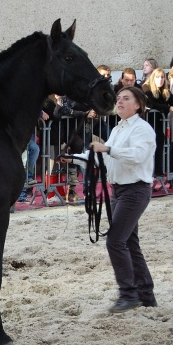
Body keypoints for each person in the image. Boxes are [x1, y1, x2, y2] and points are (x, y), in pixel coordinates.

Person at [63, 87, 157, 313]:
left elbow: (138, 156)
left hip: (135, 190)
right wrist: (73, 158)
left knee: (115, 241)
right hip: (120, 191)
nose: (120, 102)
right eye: (119, 99)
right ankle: (146, 294)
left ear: (137, 105)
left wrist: (108, 148)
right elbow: (102, 158)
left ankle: (128, 293)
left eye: (126, 99)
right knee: (129, 242)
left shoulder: (142, 129)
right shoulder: (118, 128)